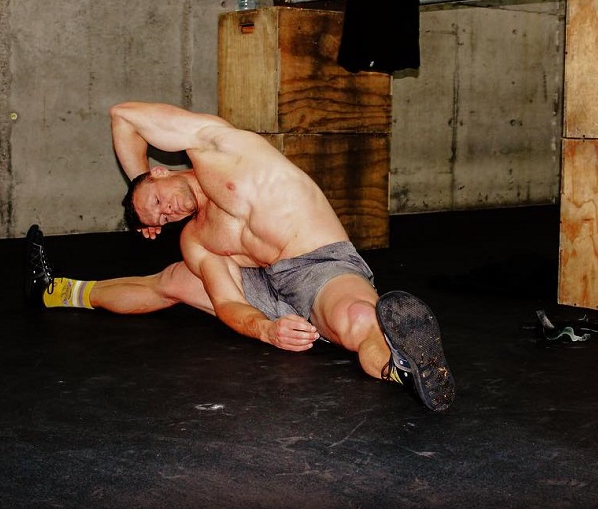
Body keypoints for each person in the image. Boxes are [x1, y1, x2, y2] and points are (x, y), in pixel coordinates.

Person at [24, 102, 455, 411]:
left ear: (159, 169)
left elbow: (123, 115)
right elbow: (228, 302)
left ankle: (401, 369)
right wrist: (266, 330)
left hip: (317, 265)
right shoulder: (196, 238)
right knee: (175, 280)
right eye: (158, 217)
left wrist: (135, 180)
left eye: (157, 200)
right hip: (259, 285)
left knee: (359, 319)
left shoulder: (219, 148)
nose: (166, 212)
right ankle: (57, 291)